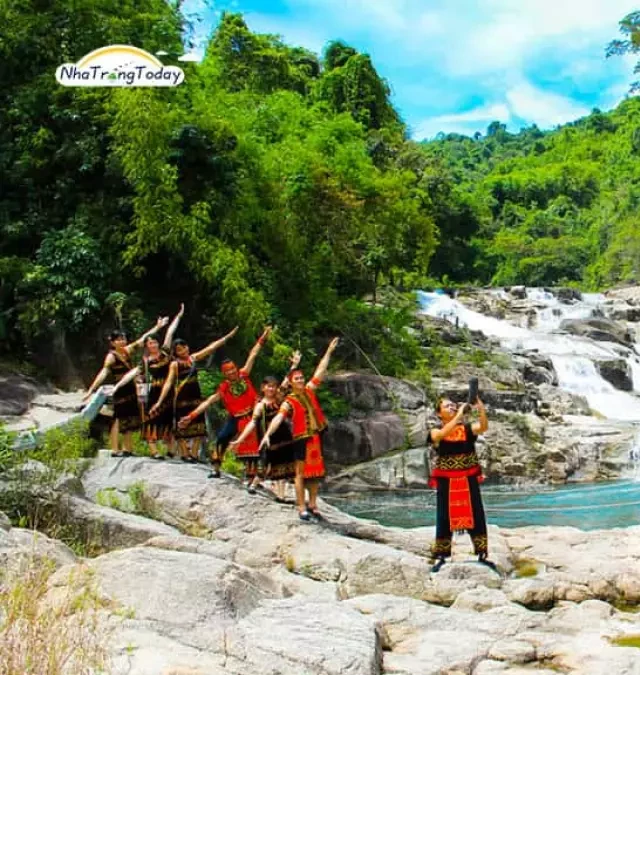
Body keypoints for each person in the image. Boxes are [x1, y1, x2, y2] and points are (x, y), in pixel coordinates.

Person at [178, 327, 272, 484]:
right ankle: (216, 469)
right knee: (221, 439)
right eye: (228, 371)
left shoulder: (244, 374)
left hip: (254, 416)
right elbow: (208, 402)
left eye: (233, 369)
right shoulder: (223, 387)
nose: (232, 373)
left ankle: (253, 477)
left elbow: (253, 355)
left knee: (257, 446)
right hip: (236, 418)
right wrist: (191, 416)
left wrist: (263, 337)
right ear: (224, 373)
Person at [259, 337, 339, 522]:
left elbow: (320, 371)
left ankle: (313, 504)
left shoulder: (309, 390)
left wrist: (328, 351)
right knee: (300, 474)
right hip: (301, 439)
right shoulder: (289, 401)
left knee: (316, 473)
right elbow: (278, 418)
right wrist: (267, 435)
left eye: (302, 377)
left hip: (315, 436)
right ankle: (301, 506)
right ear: (291, 382)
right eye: (297, 379)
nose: (301, 380)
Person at [105, 305, 185, 459]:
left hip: (167, 392)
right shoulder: (145, 362)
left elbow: (170, 332)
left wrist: (178, 316)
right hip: (152, 392)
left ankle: (170, 450)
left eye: (155, 342)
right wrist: (116, 387)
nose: (153, 345)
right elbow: (130, 374)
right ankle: (154, 451)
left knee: (168, 420)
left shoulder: (165, 353)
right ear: (147, 347)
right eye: (150, 344)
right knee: (149, 420)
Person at [427, 397, 496, 573]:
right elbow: (440, 436)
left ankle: (482, 554)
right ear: (438, 413)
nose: (451, 407)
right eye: (446, 406)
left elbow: (483, 427)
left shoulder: (466, 429)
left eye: (453, 405)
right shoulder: (435, 431)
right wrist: (459, 415)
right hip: (447, 480)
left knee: (476, 514)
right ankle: (442, 555)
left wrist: (480, 409)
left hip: (468, 477)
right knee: (444, 516)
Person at [83, 316, 169, 456]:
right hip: (120, 388)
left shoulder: (127, 350)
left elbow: (142, 339)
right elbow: (103, 373)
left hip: (131, 387)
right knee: (117, 418)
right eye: (118, 340)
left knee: (130, 419)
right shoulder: (111, 356)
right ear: (112, 342)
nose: (122, 341)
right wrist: (91, 390)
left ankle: (127, 448)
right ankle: (115, 449)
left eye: (123, 339)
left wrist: (158, 326)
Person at [149, 326, 238, 461]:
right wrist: (160, 401)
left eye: (184, 347)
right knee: (181, 427)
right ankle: (185, 453)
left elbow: (210, 348)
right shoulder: (175, 364)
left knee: (199, 427)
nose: (183, 351)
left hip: (195, 398)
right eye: (179, 350)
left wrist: (227, 337)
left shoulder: (193, 358)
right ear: (175, 353)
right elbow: (168, 383)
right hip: (181, 399)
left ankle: (194, 454)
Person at [228, 351, 301, 498]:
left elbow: (287, 381)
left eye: (273, 386)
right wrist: (239, 440)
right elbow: (252, 423)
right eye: (268, 386)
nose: (271, 389)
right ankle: (255, 483)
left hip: (285, 435)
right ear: (263, 388)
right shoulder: (261, 405)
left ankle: (281, 495)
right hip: (269, 437)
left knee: (285, 466)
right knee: (267, 464)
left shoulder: (279, 397)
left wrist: (294, 365)